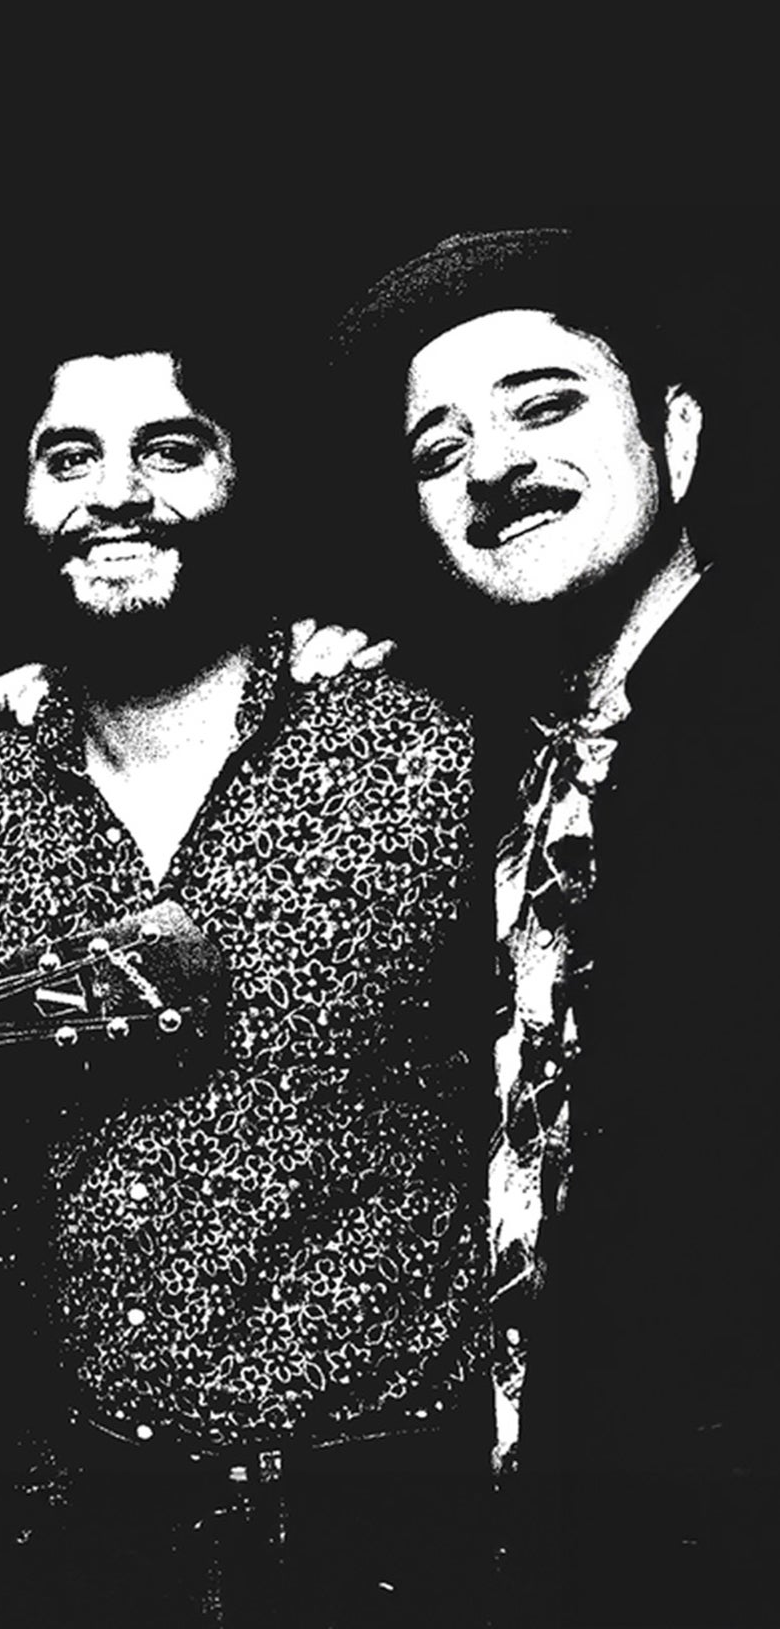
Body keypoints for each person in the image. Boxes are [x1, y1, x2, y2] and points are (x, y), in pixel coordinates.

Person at [0, 317, 491, 1625]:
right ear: (19, 502)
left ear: (240, 480)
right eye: (67, 458)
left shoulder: (425, 746)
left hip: (391, 1510)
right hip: (90, 1529)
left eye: (166, 450)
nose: (111, 492)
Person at [331, 226, 770, 1625]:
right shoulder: (491, 753)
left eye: (544, 405)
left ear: (675, 436)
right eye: (438, 448)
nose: (491, 467)